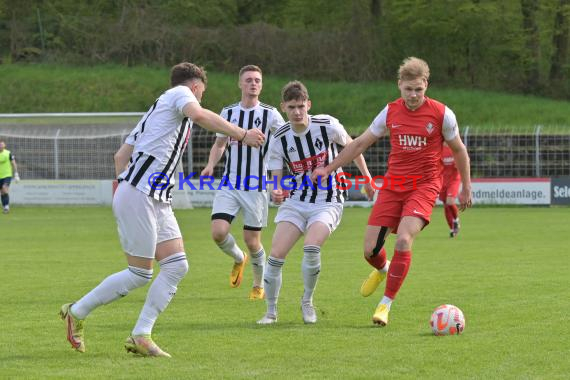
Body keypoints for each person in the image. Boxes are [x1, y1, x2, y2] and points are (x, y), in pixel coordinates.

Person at [59, 62, 265, 357]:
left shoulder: (156, 111)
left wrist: (128, 189)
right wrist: (242, 134)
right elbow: (199, 114)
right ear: (194, 87)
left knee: (177, 265)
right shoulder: (180, 94)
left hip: (153, 197)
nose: (199, 99)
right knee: (139, 274)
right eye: (201, 93)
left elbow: (121, 157)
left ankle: (141, 334)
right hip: (141, 194)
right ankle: (77, 311)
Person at [312, 57, 472, 326]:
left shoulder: (442, 114)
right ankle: (384, 269)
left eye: (418, 90)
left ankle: (385, 305)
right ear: (399, 85)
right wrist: (328, 169)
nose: (413, 95)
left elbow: (459, 150)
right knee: (369, 251)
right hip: (392, 186)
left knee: (403, 239)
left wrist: (466, 186)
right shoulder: (389, 112)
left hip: (424, 186)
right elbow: (360, 143)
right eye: (408, 89)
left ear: (426, 86)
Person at [257, 80, 374, 325]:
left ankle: (307, 301)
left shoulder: (327, 125)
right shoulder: (279, 138)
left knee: (311, 247)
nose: (297, 112)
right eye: (292, 107)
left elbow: (353, 147)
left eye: (301, 106)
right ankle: (270, 312)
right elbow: (276, 179)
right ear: (283, 108)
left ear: (309, 104)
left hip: (328, 199)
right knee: (276, 255)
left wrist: (367, 177)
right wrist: (276, 191)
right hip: (297, 201)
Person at [200, 65, 285, 300]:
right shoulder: (227, 113)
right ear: (240, 84)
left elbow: (285, 144)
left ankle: (258, 285)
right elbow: (220, 144)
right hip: (230, 182)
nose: (253, 83)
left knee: (252, 240)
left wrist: (277, 182)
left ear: (262, 85)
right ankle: (239, 258)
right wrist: (210, 165)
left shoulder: (271, 115)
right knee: (218, 232)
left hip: (256, 185)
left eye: (257, 80)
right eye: (248, 80)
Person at [440, 142, 461, 237]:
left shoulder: (455, 147)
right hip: (442, 180)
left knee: (450, 201)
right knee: (446, 205)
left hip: (454, 180)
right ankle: (452, 229)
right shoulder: (439, 149)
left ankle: (456, 219)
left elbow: (462, 162)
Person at [0, 140, 20, 214]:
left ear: (4, 145)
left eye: (2, 145)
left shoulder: (8, 153)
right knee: (2, 192)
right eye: (0, 145)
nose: (1, 146)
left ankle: (7, 206)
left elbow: (14, 163)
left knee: (4, 188)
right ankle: (5, 207)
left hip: (7, 175)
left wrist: (16, 174)